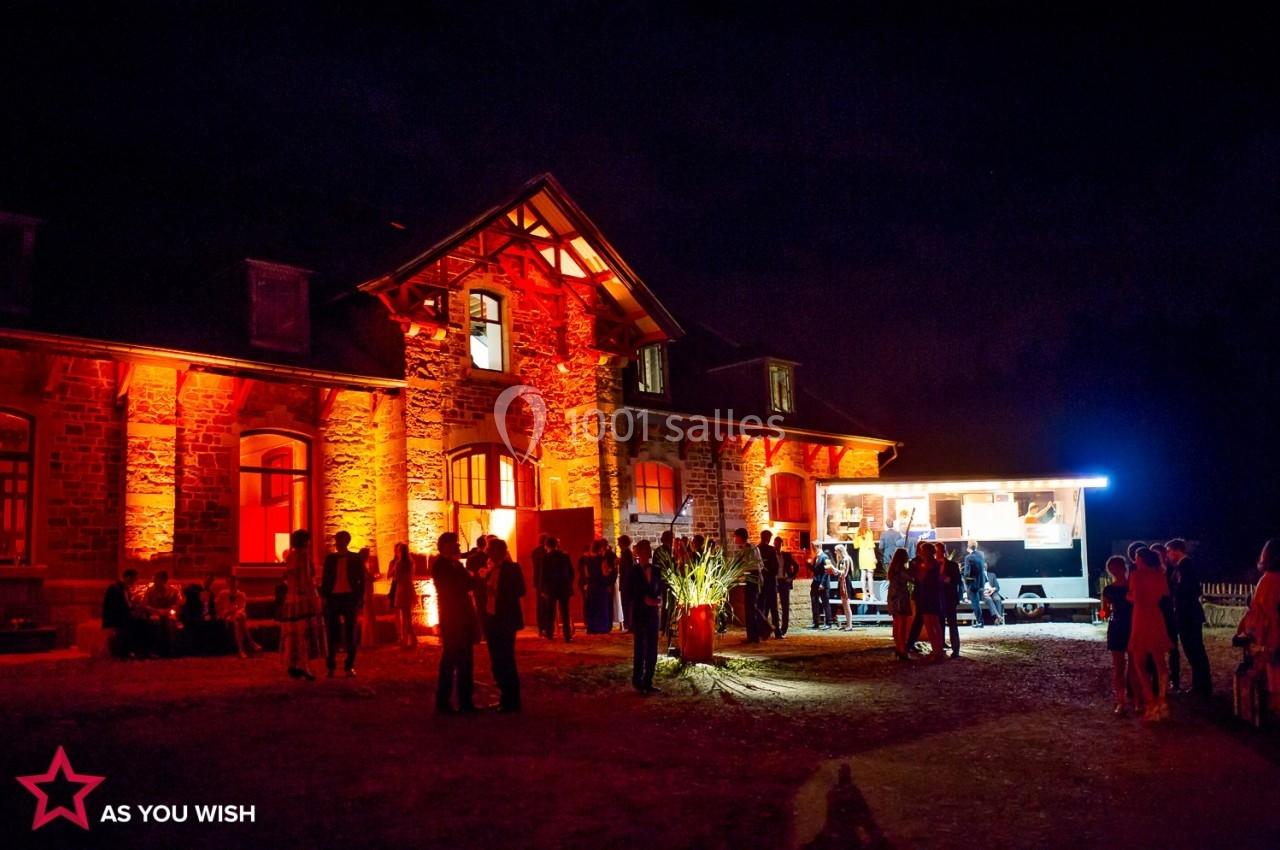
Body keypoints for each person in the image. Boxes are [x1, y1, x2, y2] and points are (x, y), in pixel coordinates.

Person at [432, 532, 479, 714]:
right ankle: (443, 702)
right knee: (449, 661)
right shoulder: (441, 566)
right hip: (452, 619)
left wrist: (472, 578)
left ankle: (465, 701)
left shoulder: (457, 565)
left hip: (464, 618)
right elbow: (455, 587)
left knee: (466, 661)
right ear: (444, 545)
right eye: (455, 544)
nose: (459, 547)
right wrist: (471, 578)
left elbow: (468, 584)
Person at [1127, 547, 1173, 722]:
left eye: (1137, 558)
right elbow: (1164, 594)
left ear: (1142, 560)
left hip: (1141, 617)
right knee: (1159, 660)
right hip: (1156, 615)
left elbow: (1136, 597)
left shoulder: (1136, 576)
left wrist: (1129, 597)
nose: (1135, 561)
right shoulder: (1160, 575)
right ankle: (1162, 698)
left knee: (1139, 662)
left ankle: (1150, 702)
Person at [480, 538, 526, 712]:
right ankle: (504, 698)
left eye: (490, 549)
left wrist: (498, 592)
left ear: (499, 551)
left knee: (506, 659)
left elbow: (521, 590)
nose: (487, 552)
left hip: (505, 619)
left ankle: (512, 701)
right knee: (496, 660)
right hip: (492, 618)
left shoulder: (512, 568)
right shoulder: (491, 569)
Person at [1236, 537, 1280, 715]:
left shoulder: (1268, 581)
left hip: (1274, 636)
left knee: (1276, 678)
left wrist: (1254, 638)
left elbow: (1261, 613)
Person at [1166, 539, 1210, 696]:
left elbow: (1188, 590)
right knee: (1193, 650)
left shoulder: (1186, 566)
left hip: (1188, 615)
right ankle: (1200, 684)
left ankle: (1202, 685)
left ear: (1177, 550)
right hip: (1187, 614)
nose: (1168, 555)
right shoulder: (1182, 566)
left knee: (1194, 650)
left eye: (1169, 551)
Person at [320, 530, 366, 678]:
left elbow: (362, 579)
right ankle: (331, 666)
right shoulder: (330, 559)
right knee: (331, 633)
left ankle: (349, 666)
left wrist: (359, 597)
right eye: (338, 540)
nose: (339, 543)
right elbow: (325, 579)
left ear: (347, 542)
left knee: (350, 633)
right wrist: (324, 596)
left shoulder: (355, 558)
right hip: (333, 597)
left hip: (349, 598)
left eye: (341, 540)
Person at [280, 529, 323, 681]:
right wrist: (314, 599)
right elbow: (306, 579)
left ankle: (291, 664)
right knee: (303, 635)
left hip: (290, 600)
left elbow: (287, 576)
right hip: (302, 599)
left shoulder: (290, 556)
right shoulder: (303, 555)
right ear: (305, 541)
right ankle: (304, 666)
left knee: (291, 635)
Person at [628, 540, 664, 694]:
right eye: (645, 550)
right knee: (640, 648)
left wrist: (659, 600)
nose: (648, 553)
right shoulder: (634, 571)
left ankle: (648, 681)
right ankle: (637, 681)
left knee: (652, 648)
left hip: (653, 614)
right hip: (640, 613)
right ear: (639, 552)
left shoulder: (656, 570)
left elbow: (661, 587)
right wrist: (644, 599)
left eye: (649, 549)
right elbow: (630, 591)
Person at [1100, 556, 1134, 715]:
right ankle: (1136, 700)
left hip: (1116, 626)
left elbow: (1104, 613)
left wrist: (1102, 613)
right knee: (1134, 665)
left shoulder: (1108, 590)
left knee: (1118, 667)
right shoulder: (1132, 587)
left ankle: (1121, 702)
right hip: (1132, 625)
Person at [102, 568, 143, 658]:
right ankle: (124, 652)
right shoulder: (115, 588)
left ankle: (132, 650)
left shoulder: (124, 588)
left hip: (123, 616)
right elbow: (116, 606)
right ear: (128, 578)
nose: (134, 582)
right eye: (134, 579)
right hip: (117, 618)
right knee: (132, 627)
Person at [215, 575, 260, 658]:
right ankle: (251, 642)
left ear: (237, 583)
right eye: (231, 582)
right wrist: (226, 612)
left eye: (234, 582)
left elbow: (242, 608)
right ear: (228, 583)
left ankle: (241, 650)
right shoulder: (222, 594)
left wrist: (235, 612)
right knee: (239, 619)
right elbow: (217, 606)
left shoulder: (242, 594)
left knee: (237, 621)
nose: (232, 584)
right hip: (228, 615)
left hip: (238, 615)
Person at [914, 543, 945, 661]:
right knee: (935, 624)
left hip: (927, 596)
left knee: (930, 624)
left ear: (926, 552)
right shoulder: (937, 564)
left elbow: (921, 578)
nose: (920, 553)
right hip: (934, 596)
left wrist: (919, 569)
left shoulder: (927, 565)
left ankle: (937, 651)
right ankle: (938, 650)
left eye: (922, 551)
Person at [542, 536, 575, 642]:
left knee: (550, 611)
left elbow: (543, 575)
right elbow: (571, 573)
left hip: (551, 588)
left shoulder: (546, 558)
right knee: (565, 611)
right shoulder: (564, 556)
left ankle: (549, 633)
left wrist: (543, 589)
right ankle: (567, 635)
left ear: (547, 545)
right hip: (563, 587)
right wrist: (569, 584)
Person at [143, 569, 182, 656]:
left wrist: (168, 611)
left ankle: (171, 649)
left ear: (163, 580)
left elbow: (177, 604)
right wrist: (156, 611)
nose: (154, 581)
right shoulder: (150, 591)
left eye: (156, 579)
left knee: (171, 624)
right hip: (154, 613)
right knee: (155, 624)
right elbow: (145, 604)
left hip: (168, 614)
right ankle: (156, 649)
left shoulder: (173, 591)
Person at [387, 542, 418, 650]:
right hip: (409, 588)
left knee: (405, 616)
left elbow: (396, 579)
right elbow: (411, 576)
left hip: (401, 589)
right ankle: (410, 639)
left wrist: (394, 572)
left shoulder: (398, 564)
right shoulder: (411, 563)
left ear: (400, 552)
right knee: (407, 616)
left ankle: (408, 640)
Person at [584, 538, 617, 634]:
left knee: (592, 607)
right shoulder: (601, 560)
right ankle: (601, 627)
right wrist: (612, 569)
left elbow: (587, 574)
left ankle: (592, 627)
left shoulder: (588, 560)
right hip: (601, 586)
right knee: (601, 607)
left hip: (591, 586)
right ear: (600, 549)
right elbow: (605, 573)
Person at [885, 548, 912, 660]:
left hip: (893, 597)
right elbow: (911, 578)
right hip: (900, 598)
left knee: (896, 624)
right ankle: (902, 649)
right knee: (902, 624)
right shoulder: (901, 569)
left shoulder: (892, 568)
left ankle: (898, 647)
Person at [938, 545, 963, 657]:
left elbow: (958, 580)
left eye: (939, 551)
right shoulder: (934, 565)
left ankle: (956, 649)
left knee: (952, 624)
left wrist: (948, 579)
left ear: (944, 552)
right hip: (938, 598)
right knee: (939, 623)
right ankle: (940, 646)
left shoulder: (952, 565)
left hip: (950, 598)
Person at [774, 535, 799, 637]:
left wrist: (791, 577)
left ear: (781, 544)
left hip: (784, 581)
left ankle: (784, 628)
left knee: (785, 606)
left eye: (779, 544)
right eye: (776, 543)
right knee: (774, 606)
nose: (777, 545)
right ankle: (776, 629)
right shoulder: (772, 555)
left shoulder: (786, 555)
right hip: (775, 581)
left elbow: (796, 566)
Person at [759, 529, 782, 639]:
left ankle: (763, 631)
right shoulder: (771, 550)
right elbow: (775, 567)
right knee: (773, 608)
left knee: (762, 608)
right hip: (771, 582)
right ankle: (777, 632)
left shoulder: (757, 549)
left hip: (761, 582)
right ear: (768, 538)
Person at [810, 541, 834, 629]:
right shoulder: (816, 557)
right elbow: (816, 570)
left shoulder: (824, 557)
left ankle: (829, 622)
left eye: (813, 548)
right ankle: (816, 622)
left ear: (817, 547)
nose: (812, 549)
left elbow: (827, 572)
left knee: (825, 603)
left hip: (822, 584)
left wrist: (822, 584)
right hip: (816, 583)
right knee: (814, 602)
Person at [531, 534, 551, 638]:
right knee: (547, 605)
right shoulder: (546, 553)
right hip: (546, 582)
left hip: (538, 582)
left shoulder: (534, 552)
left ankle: (540, 627)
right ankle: (547, 627)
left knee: (540, 606)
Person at [833, 544, 855, 631]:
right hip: (841, 581)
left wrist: (835, 570)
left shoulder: (846, 559)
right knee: (844, 604)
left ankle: (850, 625)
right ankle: (847, 624)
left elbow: (844, 573)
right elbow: (838, 573)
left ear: (840, 551)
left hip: (845, 582)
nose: (835, 552)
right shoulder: (840, 560)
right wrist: (833, 570)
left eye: (836, 551)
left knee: (846, 604)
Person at [854, 520, 877, 602]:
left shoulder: (857, 532)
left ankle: (864, 595)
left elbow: (856, 546)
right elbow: (871, 546)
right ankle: (872, 596)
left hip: (862, 555)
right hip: (869, 554)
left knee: (863, 576)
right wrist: (874, 557)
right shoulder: (869, 532)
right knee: (870, 577)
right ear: (867, 524)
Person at [617, 535, 635, 633]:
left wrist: (626, 584)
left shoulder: (627, 554)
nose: (618, 544)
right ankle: (628, 624)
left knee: (627, 604)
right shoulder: (625, 553)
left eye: (619, 542)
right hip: (625, 583)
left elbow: (628, 570)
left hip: (627, 584)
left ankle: (629, 624)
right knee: (626, 604)